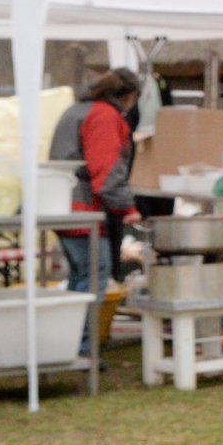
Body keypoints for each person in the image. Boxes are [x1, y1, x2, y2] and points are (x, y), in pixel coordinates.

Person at [52, 68, 143, 309]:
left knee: (80, 276)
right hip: (83, 209)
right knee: (94, 276)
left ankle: (69, 339)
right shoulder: (104, 116)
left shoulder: (77, 110)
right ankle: (83, 343)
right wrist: (127, 208)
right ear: (129, 96)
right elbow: (107, 171)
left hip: (62, 204)